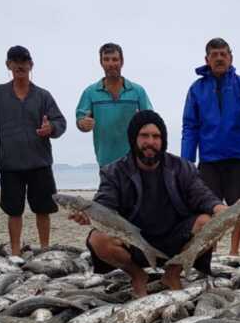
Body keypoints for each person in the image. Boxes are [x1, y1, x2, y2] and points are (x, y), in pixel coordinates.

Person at [69, 111, 227, 297]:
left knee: (211, 222)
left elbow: (202, 195)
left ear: (163, 140)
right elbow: (105, 204)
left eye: (156, 136)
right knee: (98, 238)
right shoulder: (113, 172)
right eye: (144, 136)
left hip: (176, 240)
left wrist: (222, 209)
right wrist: (89, 216)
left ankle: (172, 273)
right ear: (133, 138)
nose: (150, 142)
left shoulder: (182, 167)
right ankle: (138, 275)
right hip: (134, 241)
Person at [0, 46, 67, 256]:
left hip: (40, 163)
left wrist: (51, 128)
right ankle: (15, 252)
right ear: (8, 65)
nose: (20, 65)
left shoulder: (43, 96)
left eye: (24, 61)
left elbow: (61, 122)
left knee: (43, 209)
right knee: (14, 210)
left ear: (31, 65)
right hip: (10, 165)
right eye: (15, 61)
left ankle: (45, 250)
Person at [181, 37, 240, 256]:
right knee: (209, 208)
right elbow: (190, 126)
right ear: (207, 59)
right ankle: (212, 251)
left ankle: (234, 251)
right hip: (209, 160)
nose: (219, 58)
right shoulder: (196, 89)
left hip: (239, 158)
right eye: (214, 55)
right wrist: (186, 162)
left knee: (237, 207)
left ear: (230, 57)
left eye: (223, 54)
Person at [75, 42, 153, 168]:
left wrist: (144, 122)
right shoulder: (90, 92)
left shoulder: (138, 91)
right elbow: (80, 120)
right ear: (101, 63)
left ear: (122, 62)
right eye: (106, 59)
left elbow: (151, 120)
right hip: (106, 162)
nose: (111, 64)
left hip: (135, 160)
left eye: (115, 59)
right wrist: (83, 124)